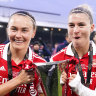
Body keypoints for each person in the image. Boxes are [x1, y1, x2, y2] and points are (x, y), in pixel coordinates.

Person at [50, 4, 96, 96]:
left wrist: (79, 88)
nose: (75, 30)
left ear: (91, 28)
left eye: (81, 25)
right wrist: (56, 88)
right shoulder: (56, 60)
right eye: (71, 25)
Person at [0, 11, 47, 96]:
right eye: (14, 29)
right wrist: (19, 80)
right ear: (8, 30)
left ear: (33, 33)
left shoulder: (41, 65)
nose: (18, 35)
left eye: (24, 30)